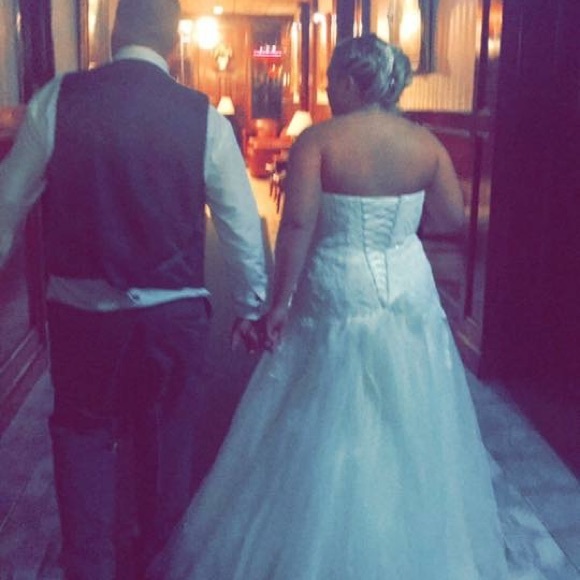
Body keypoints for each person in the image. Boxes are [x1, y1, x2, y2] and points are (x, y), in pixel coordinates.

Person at [147, 34, 509, 579]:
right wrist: (401, 227)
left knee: (323, 403)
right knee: (410, 403)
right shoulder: (426, 143)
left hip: (339, 283)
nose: (326, 89)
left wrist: (278, 305)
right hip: (408, 285)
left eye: (331, 79)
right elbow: (453, 219)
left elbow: (296, 226)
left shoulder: (319, 141)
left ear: (351, 82)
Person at [0, 0, 267, 578]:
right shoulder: (201, 116)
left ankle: (90, 564)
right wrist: (251, 306)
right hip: (172, 316)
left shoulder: (57, 100)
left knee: (83, 436)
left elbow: (6, 206)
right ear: (172, 42)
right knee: (167, 438)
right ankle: (158, 558)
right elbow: (241, 223)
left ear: (111, 34)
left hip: (82, 314)